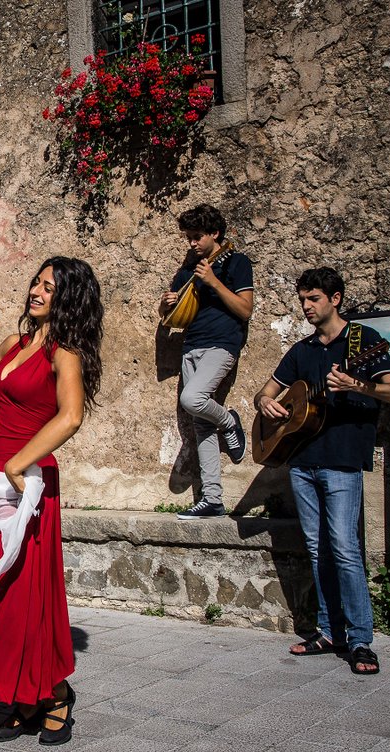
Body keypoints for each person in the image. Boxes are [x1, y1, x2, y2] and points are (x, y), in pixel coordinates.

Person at [0, 256, 104, 746]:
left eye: (49, 287)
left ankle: (53, 694)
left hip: (27, 483)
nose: (36, 291)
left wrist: (19, 463)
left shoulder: (66, 352)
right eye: (36, 282)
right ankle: (21, 695)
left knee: (24, 597)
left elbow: (70, 416)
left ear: (68, 299)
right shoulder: (14, 342)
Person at [254, 267, 390, 675]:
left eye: (314, 298)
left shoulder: (363, 341)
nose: (306, 306)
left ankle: (360, 639)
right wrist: (265, 403)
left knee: (345, 549)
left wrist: (358, 386)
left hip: (341, 462)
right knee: (318, 549)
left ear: (335, 299)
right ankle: (328, 630)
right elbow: (265, 391)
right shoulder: (302, 350)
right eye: (303, 299)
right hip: (302, 461)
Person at [158, 204, 254, 520]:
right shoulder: (189, 269)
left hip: (222, 344)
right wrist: (166, 304)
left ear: (215, 233)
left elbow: (245, 310)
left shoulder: (236, 263)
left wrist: (213, 282)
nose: (192, 243)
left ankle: (229, 422)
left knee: (192, 399)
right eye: (189, 237)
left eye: (197, 236)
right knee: (200, 424)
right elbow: (169, 315)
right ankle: (212, 499)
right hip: (191, 346)